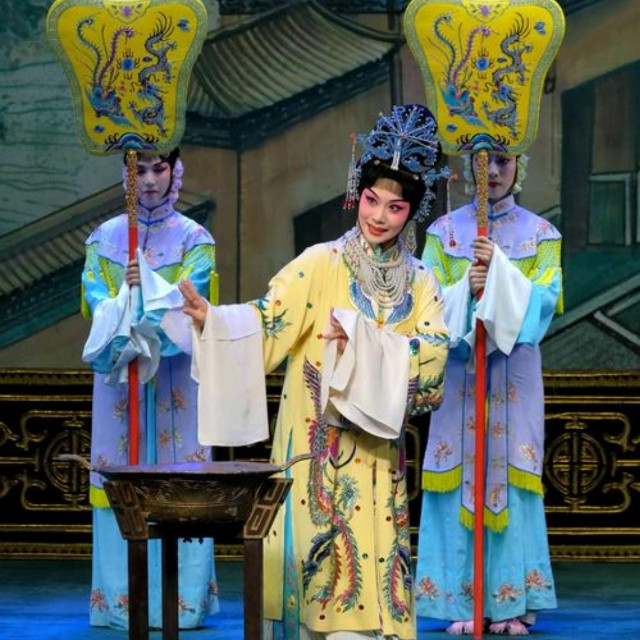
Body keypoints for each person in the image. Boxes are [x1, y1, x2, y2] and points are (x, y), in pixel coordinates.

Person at [178, 104, 450, 640]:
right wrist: (214, 321)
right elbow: (266, 322)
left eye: (395, 207)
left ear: (412, 212)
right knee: (320, 582)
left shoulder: (422, 282)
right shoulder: (319, 263)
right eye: (371, 200)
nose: (378, 216)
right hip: (316, 455)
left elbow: (436, 361)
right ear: (356, 193)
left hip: (379, 459)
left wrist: (366, 347)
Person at [414, 153, 562, 636]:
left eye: (502, 161)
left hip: (513, 374)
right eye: (482, 162)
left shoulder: (542, 234)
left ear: (520, 164)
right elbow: (426, 304)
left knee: (512, 473)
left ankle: (511, 599)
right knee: (455, 474)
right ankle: (461, 599)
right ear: (465, 166)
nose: (492, 173)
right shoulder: (442, 234)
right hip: (460, 373)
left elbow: (545, 303)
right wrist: (466, 286)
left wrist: (498, 276)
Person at [81, 148, 219, 629]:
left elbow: (194, 301)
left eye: (159, 168)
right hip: (121, 376)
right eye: (139, 170)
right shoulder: (104, 239)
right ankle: (122, 600)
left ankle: (182, 601)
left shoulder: (195, 238)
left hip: (175, 375)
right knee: (119, 477)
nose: (150, 180)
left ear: (175, 171)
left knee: (181, 475)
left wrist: (150, 288)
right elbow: (94, 300)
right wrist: (125, 300)